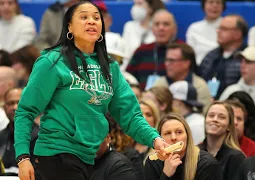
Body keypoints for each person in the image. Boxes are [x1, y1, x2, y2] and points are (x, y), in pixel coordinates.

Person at [14, 2, 169, 180]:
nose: (91, 21)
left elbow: (131, 115)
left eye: (96, 18)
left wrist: (155, 140)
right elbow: (25, 111)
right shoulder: (53, 61)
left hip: (93, 157)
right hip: (56, 155)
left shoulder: (111, 67)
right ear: (69, 27)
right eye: (84, 17)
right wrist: (23, 157)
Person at [144, 113, 222, 180]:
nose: (173, 137)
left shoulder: (207, 164)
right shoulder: (153, 163)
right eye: (167, 133)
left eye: (179, 132)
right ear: (160, 139)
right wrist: (166, 174)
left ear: (187, 136)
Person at [198, 14, 248, 99]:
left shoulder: (247, 58)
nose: (218, 31)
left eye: (224, 29)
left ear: (238, 34)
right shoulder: (211, 55)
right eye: (219, 28)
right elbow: (199, 79)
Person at [199, 101, 245, 180]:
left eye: (221, 117)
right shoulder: (195, 151)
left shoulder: (236, 157)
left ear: (229, 126)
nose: (215, 119)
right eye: (211, 115)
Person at [122, 0, 165, 67]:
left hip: (151, 67)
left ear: (150, 7)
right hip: (130, 68)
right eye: (134, 4)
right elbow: (125, 53)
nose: (135, 7)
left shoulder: (159, 28)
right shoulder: (129, 26)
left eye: (139, 3)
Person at [186, 0, 225, 65]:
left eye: (218, 3)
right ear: (204, 5)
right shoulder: (194, 28)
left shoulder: (229, 27)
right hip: (197, 67)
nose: (215, 6)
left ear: (223, 7)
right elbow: (189, 54)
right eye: (211, 2)